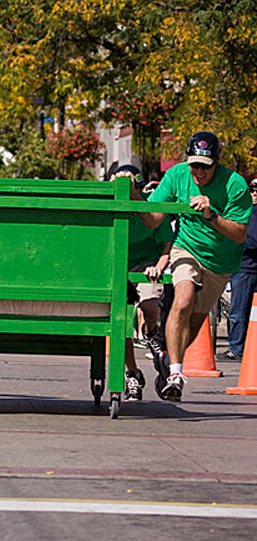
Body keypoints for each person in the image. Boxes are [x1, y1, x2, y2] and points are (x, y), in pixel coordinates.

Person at [131, 131, 252, 401]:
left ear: (216, 162)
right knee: (183, 299)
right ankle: (175, 374)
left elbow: (240, 233)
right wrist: (132, 195)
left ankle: (167, 365)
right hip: (186, 248)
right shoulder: (176, 176)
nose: (198, 171)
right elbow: (152, 220)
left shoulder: (235, 185)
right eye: (194, 164)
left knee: (195, 320)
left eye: (205, 166)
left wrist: (211, 215)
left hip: (220, 262)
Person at [113, 164, 173, 401]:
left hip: (148, 265)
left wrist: (158, 267)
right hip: (120, 267)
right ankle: (133, 374)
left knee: (149, 305)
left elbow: (166, 245)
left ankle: (154, 335)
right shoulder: (112, 204)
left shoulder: (152, 207)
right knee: (122, 326)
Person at [219, 178, 257, 360]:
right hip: (242, 268)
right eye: (253, 190)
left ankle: (240, 348)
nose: (255, 194)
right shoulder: (244, 212)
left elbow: (249, 240)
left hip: (248, 268)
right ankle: (237, 347)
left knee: (243, 312)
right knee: (238, 311)